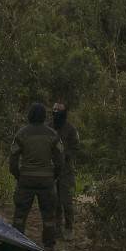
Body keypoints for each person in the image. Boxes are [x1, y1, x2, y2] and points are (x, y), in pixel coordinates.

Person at [9, 102, 64, 251]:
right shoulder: (53, 134)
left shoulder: (21, 133)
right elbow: (60, 161)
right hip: (46, 180)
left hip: (26, 179)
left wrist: (19, 176)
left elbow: (13, 160)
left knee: (20, 214)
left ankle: (16, 244)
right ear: (44, 117)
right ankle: (48, 245)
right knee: (48, 215)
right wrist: (53, 176)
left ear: (30, 115)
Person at [52, 101, 80, 240]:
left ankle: (69, 227)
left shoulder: (71, 129)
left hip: (66, 171)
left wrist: (63, 153)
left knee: (66, 202)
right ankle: (57, 228)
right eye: (54, 109)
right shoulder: (49, 127)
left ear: (64, 112)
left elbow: (75, 150)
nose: (56, 112)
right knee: (55, 201)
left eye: (59, 110)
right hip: (52, 171)